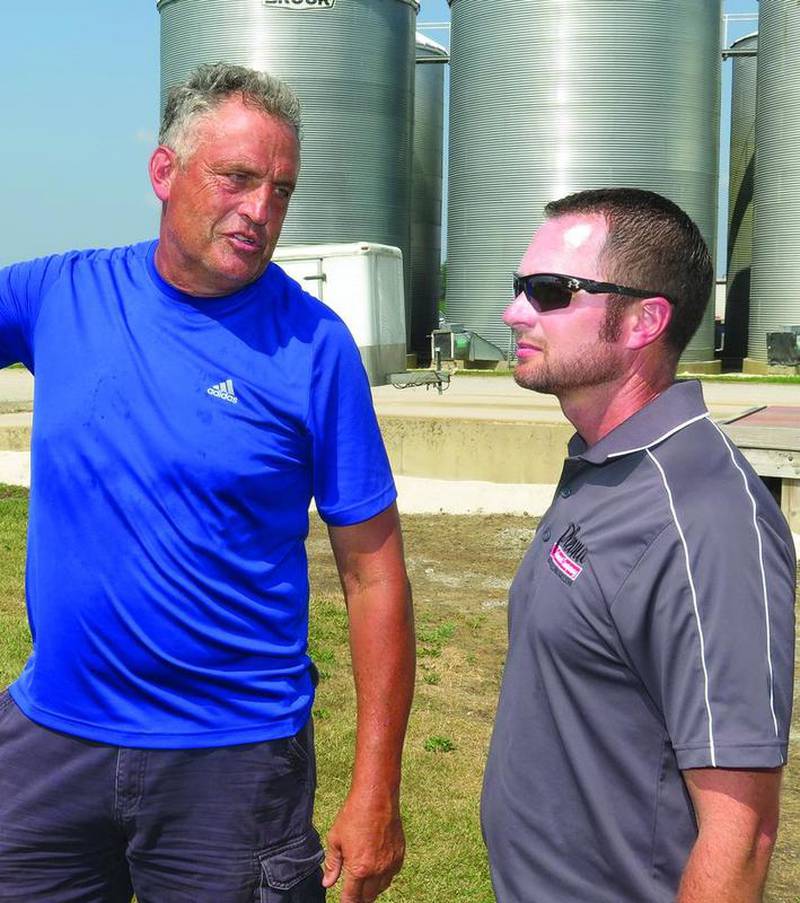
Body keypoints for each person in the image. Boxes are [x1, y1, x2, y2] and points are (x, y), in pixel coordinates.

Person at [0, 63, 415, 903]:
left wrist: (376, 789)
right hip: (54, 739)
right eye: (237, 178)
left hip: (233, 764)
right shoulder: (60, 295)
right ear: (164, 172)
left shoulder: (313, 348)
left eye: (281, 190)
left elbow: (374, 574)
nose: (260, 212)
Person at [481, 188, 795, 902]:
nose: (514, 312)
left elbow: (740, 836)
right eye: (519, 287)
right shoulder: (605, 463)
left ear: (643, 321)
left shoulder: (705, 516)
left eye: (550, 291)